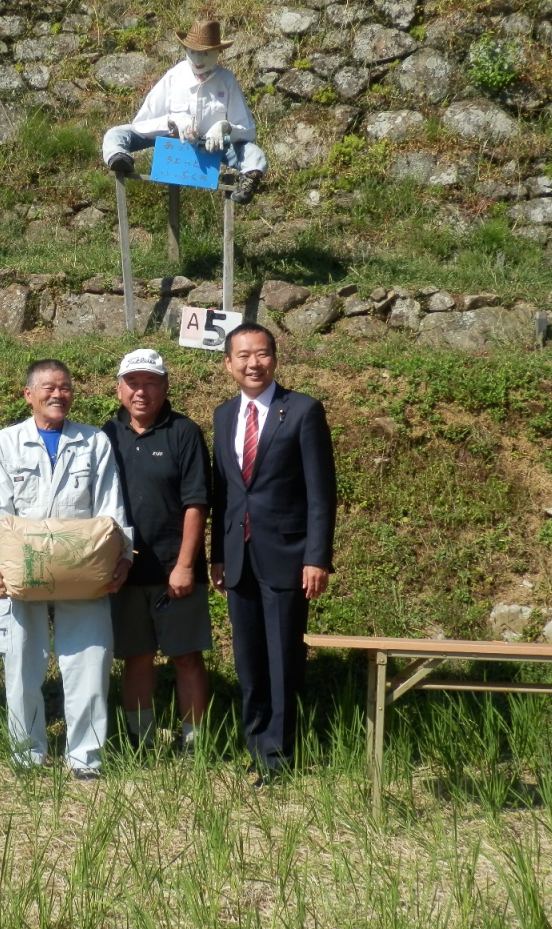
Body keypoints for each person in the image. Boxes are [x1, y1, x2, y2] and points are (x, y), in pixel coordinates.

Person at [0, 359, 133, 780]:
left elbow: (110, 507)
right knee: (21, 662)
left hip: (83, 569)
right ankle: (27, 754)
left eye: (65, 387)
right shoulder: (4, 444)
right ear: (28, 395)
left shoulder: (93, 441)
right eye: (47, 388)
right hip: (22, 570)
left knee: (89, 662)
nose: (57, 394)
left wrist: (123, 555)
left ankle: (86, 758)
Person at [209, 323, 336, 782]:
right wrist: (216, 555)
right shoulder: (223, 415)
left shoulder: (301, 411)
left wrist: (317, 557)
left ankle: (280, 758)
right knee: (248, 661)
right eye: (242, 356)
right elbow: (223, 492)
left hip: (287, 555)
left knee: (282, 660)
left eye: (261, 354)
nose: (252, 364)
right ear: (228, 364)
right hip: (237, 559)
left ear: (274, 358)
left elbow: (321, 493)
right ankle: (255, 746)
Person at [103, 349, 213, 753]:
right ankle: (142, 741)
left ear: (165, 387)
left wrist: (184, 565)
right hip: (124, 570)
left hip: (175, 571)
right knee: (136, 657)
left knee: (186, 657)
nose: (141, 391)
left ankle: (195, 744)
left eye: (151, 382)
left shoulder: (184, 432)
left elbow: (196, 502)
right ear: (119, 389)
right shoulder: (105, 435)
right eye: (133, 383)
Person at [101, 18, 269, 204]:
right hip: (171, 139)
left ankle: (248, 179)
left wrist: (224, 127)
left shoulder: (227, 80)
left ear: (217, 52)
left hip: (212, 146)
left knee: (253, 153)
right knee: (116, 134)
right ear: (185, 50)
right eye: (193, 53)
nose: (198, 60)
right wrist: (173, 121)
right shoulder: (175, 76)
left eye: (205, 54)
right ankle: (119, 157)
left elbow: (248, 131)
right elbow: (142, 122)